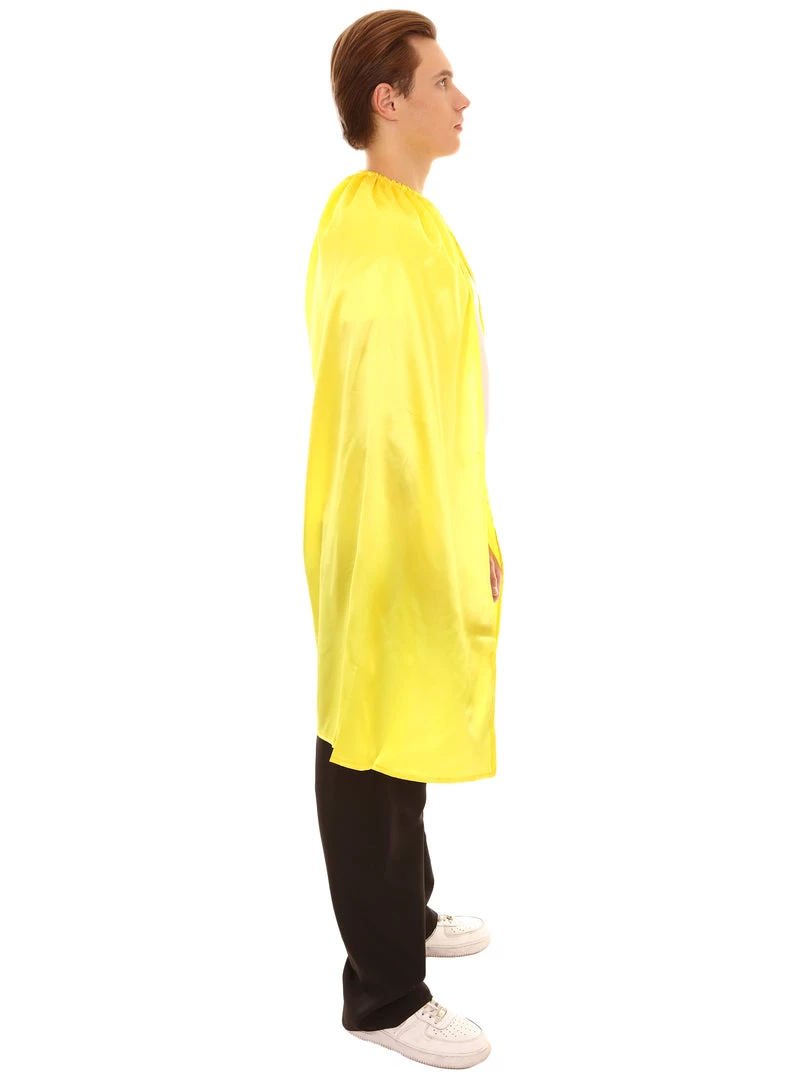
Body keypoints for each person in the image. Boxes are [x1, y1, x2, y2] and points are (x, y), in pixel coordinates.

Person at [303, 10, 504, 1070]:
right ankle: (383, 994)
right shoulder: (380, 240)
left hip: (409, 519)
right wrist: (440, 541)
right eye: (441, 81)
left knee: (394, 717)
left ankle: (404, 911)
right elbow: (388, 425)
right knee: (367, 739)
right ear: (389, 101)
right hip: (387, 529)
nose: (461, 98)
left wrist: (473, 521)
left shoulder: (397, 218)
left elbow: (436, 406)